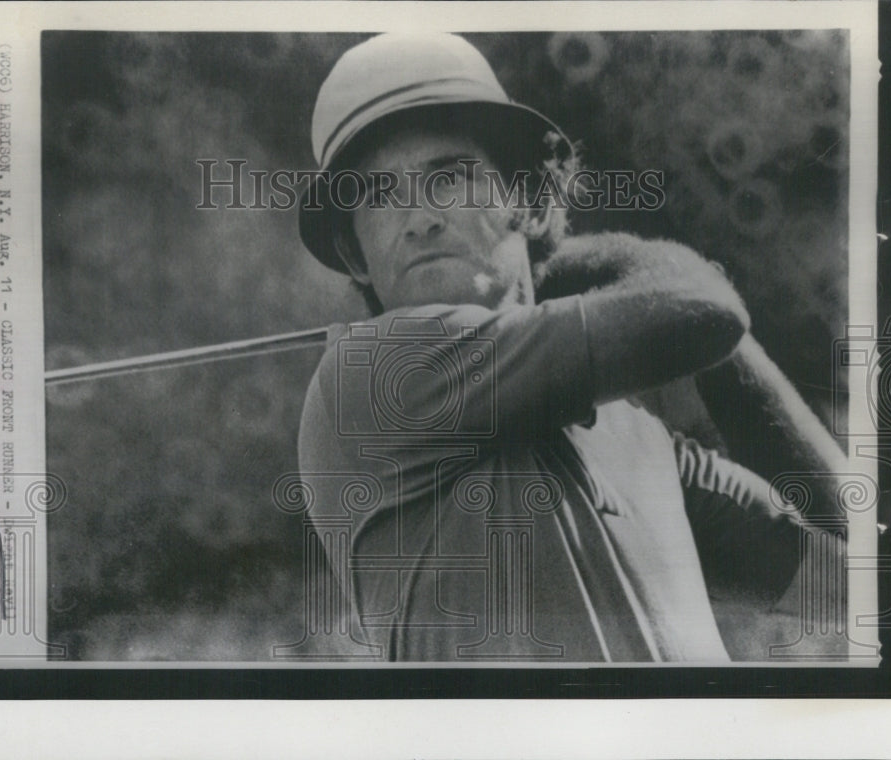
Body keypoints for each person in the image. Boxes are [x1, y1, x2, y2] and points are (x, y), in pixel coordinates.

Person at [295, 32, 848, 662]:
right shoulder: (372, 372)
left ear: (527, 200)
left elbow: (862, 573)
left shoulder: (638, 439)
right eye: (377, 194)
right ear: (352, 254)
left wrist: (714, 339)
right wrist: (602, 264)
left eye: (447, 177)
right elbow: (702, 306)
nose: (418, 216)